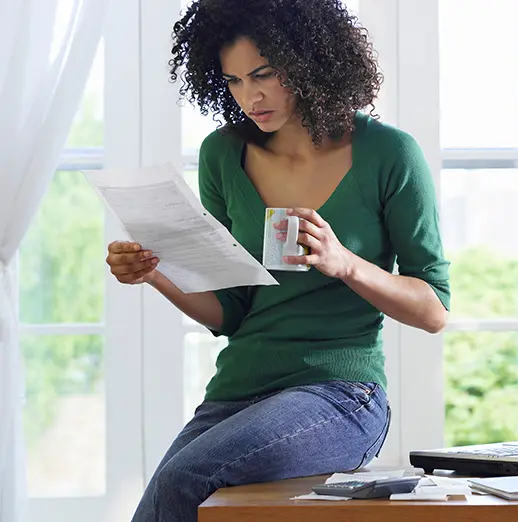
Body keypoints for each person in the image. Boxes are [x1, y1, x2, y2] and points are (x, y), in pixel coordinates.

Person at [103, 0, 450, 520]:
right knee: (159, 508)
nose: (250, 96)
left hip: (339, 395)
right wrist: (157, 274)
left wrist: (345, 263)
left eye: (263, 74)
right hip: (235, 394)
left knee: (183, 480)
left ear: (310, 61)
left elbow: (433, 310)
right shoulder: (223, 154)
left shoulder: (389, 153)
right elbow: (231, 310)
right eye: (234, 80)